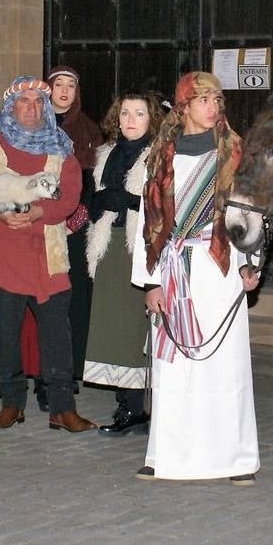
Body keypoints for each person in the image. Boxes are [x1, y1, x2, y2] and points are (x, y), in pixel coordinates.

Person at [132, 72, 261, 484]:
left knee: (224, 366)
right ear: (183, 106)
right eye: (204, 100)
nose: (213, 107)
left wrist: (249, 262)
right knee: (173, 369)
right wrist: (149, 281)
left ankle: (236, 459)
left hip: (217, 267)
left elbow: (249, 213)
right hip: (171, 268)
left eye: (217, 100)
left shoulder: (234, 154)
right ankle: (165, 455)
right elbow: (147, 223)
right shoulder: (160, 155)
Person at [0, 77, 95, 433]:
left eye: (38, 102)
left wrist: (42, 212)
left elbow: (71, 193)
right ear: (10, 106)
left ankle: (62, 407)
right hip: (0, 250)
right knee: (4, 332)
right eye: (24, 101)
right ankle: (12, 403)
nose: (32, 108)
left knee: (57, 332)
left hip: (47, 251)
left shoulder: (60, 147)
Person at [19, 67, 103, 409]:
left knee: (72, 303)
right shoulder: (32, 126)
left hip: (74, 230)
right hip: (37, 227)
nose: (64, 91)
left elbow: (94, 183)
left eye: (71, 85)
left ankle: (67, 372)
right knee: (41, 302)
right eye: (58, 85)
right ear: (48, 90)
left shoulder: (88, 130)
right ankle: (41, 375)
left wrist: (79, 214)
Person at [84, 90, 164, 436]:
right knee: (114, 327)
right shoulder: (107, 153)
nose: (130, 121)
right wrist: (97, 202)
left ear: (152, 120)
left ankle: (138, 409)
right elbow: (96, 196)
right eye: (125, 114)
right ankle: (127, 406)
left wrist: (129, 200)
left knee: (135, 329)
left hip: (139, 247)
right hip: (110, 246)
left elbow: (162, 203)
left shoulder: (160, 156)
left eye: (139, 114)